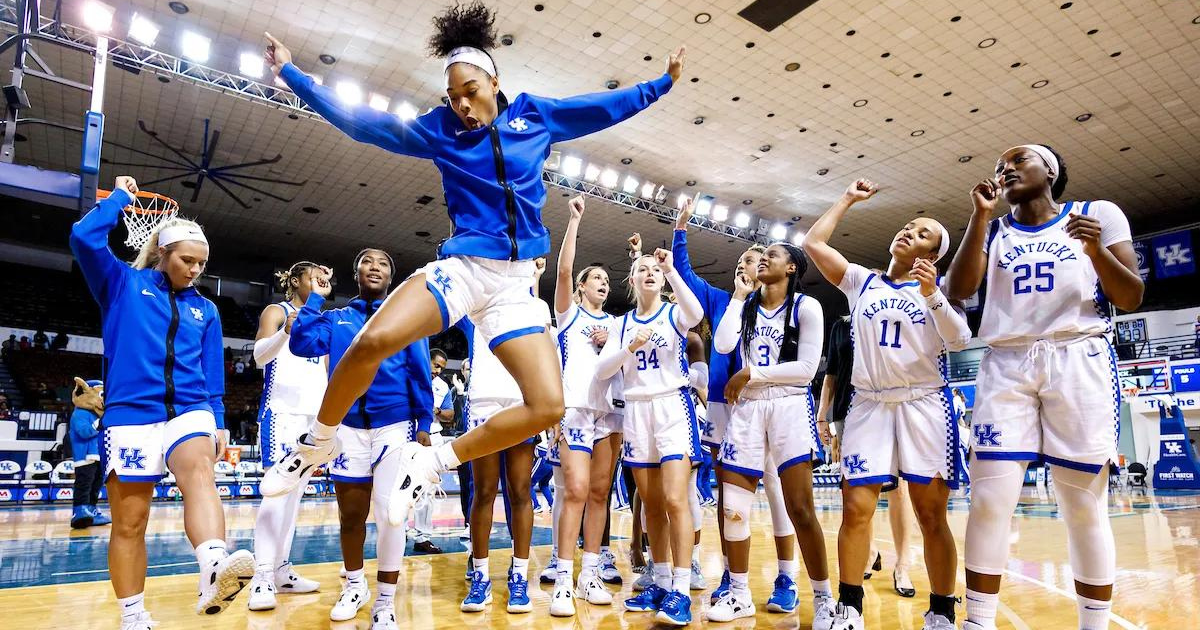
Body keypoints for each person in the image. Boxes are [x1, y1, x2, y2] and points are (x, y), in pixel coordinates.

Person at [258, 3, 685, 525]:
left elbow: (598, 108)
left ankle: (435, 460)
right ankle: (316, 445)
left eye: (470, 91)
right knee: (371, 340)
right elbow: (365, 125)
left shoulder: (534, 115)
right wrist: (293, 74)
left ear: (493, 80)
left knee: (548, 406)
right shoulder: (440, 130)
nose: (461, 103)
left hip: (515, 286)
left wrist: (659, 84)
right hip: (465, 269)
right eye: (453, 95)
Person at [944, 144, 1143, 630]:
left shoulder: (1097, 215)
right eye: (999, 165)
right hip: (1006, 363)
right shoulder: (992, 229)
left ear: (1050, 171)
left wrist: (1095, 250)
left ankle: (1093, 624)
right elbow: (958, 290)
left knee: (1082, 505)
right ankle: (977, 623)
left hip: (1077, 356)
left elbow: (1132, 296)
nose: (1005, 168)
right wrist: (978, 216)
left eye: (1018, 160)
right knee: (990, 500)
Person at [69, 176, 253, 629]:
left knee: (199, 472)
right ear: (162, 253)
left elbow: (213, 374)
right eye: (187, 260)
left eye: (202, 264)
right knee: (130, 524)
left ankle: (214, 565)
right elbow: (83, 237)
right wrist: (119, 200)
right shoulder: (120, 284)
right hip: (131, 415)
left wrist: (220, 419)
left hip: (190, 409)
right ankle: (134, 615)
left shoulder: (206, 310)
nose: (195, 270)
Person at [806, 179, 972, 630]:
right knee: (856, 509)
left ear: (931, 255)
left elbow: (960, 340)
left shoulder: (937, 291)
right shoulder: (862, 281)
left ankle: (940, 612)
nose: (908, 232)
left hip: (924, 405)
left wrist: (932, 294)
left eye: (921, 233)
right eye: (907, 226)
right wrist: (847, 200)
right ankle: (850, 608)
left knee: (930, 513)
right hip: (869, 405)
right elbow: (812, 242)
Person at [288, 247, 434, 630]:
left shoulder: (403, 321)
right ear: (355, 274)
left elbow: (420, 371)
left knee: (391, 514)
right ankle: (355, 586)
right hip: (347, 427)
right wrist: (316, 295)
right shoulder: (336, 319)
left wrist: (424, 423)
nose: (375, 267)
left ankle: (385, 603)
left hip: (395, 424)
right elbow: (301, 343)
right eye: (367, 262)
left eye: (383, 263)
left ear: (391, 277)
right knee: (350, 516)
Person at [672, 200, 802, 613]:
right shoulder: (723, 302)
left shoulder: (780, 309)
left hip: (767, 402)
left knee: (778, 492)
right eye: (745, 259)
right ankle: (732, 572)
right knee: (731, 501)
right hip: (721, 407)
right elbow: (686, 276)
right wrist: (680, 231)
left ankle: (787, 577)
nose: (747, 263)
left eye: (755, 258)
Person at [706, 243, 833, 624]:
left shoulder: (805, 307)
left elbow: (808, 368)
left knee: (800, 508)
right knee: (733, 509)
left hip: (789, 404)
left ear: (792, 267)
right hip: (748, 407)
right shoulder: (745, 306)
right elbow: (723, 343)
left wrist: (753, 373)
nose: (763, 259)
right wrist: (738, 296)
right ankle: (740, 593)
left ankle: (824, 597)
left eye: (773, 255)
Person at [595, 247, 703, 625]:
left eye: (655, 269)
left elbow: (696, 314)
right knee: (652, 506)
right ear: (633, 280)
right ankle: (659, 580)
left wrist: (673, 270)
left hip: (672, 407)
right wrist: (629, 346)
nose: (650, 273)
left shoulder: (673, 313)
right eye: (643, 269)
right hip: (637, 411)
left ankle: (682, 590)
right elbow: (602, 370)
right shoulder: (621, 323)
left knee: (676, 499)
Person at [547, 195, 626, 616]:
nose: (603, 284)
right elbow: (561, 269)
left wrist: (613, 344)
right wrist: (574, 221)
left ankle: (589, 571)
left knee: (600, 494)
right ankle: (562, 576)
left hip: (610, 414)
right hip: (575, 409)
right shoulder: (568, 315)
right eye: (595, 278)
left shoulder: (616, 325)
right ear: (580, 286)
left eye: (606, 281)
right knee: (575, 490)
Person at [457, 259, 548, 615]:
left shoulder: (536, 307)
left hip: (522, 400)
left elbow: (544, 357)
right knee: (483, 492)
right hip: (483, 400)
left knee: (521, 491)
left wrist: (549, 409)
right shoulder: (474, 300)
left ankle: (519, 576)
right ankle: (480, 575)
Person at [245, 261, 332, 611]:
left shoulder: (323, 320)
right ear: (296, 281)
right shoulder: (277, 310)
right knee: (276, 496)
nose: (322, 281)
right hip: (282, 414)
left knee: (295, 498)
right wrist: (285, 332)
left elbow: (326, 371)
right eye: (315, 276)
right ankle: (261, 576)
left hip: (313, 419)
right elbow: (257, 357)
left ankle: (281, 570)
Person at [817, 315, 920, 597]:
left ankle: (902, 565)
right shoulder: (840, 325)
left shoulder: (890, 317)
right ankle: (869, 550)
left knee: (899, 491)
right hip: (846, 412)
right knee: (857, 490)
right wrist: (822, 415)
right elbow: (832, 374)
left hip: (890, 408)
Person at [409, 348, 452, 555]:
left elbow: (450, 414)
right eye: (436, 365)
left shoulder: (443, 387)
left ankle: (422, 537)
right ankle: (396, 534)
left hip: (433, 436)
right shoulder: (410, 373)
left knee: (428, 489)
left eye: (442, 368)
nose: (438, 371)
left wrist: (436, 411)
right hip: (407, 432)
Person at [69, 377, 111, 529]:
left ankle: (92, 510)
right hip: (84, 456)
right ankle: (79, 511)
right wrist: (100, 423)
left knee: (96, 484)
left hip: (98, 456)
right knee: (84, 484)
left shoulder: (98, 415)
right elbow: (84, 432)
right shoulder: (80, 414)